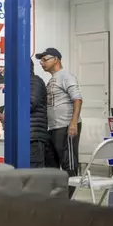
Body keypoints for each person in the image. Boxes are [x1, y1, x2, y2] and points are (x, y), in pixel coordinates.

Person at [0, 59, 49, 167]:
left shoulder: (34, 81)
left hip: (32, 138)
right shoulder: (21, 83)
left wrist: (7, 116)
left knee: (32, 174)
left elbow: (28, 104)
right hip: (22, 137)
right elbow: (13, 104)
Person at [35, 48, 83, 179]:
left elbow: (77, 99)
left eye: (45, 60)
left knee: (69, 163)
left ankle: (70, 196)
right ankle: (57, 195)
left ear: (55, 59)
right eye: (41, 61)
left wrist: (73, 123)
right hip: (54, 127)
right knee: (53, 164)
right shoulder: (52, 80)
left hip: (66, 125)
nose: (42, 63)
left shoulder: (66, 76)